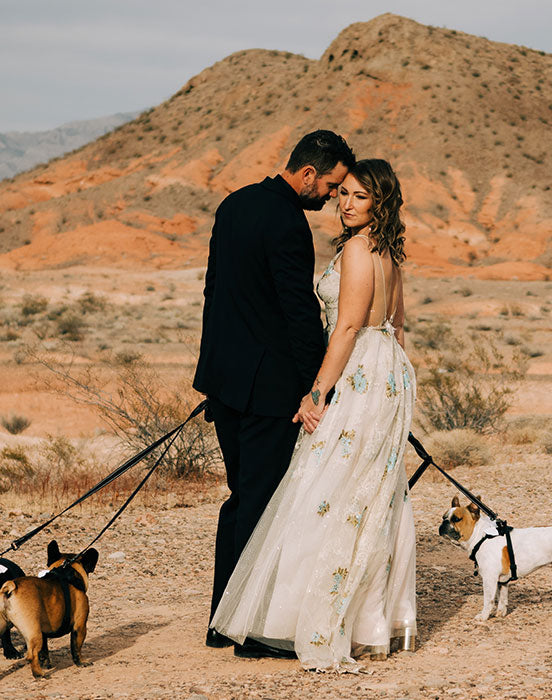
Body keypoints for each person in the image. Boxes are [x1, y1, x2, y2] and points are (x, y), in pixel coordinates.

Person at [211, 159, 417, 672]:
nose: (345, 204)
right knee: (369, 490)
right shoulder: (388, 251)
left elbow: (346, 329)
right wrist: (395, 384)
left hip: (356, 372)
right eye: (342, 193)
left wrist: (317, 394)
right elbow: (398, 324)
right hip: (386, 369)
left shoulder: (354, 250)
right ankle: (372, 621)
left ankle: (306, 618)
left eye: (359, 197)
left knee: (324, 487)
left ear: (380, 203)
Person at [193, 130, 354, 657]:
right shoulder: (286, 220)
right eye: (330, 186)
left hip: (224, 381)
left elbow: (213, 293)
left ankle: (222, 622)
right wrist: (316, 386)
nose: (332, 197)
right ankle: (249, 630)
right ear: (308, 174)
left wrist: (212, 372)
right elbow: (298, 311)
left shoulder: (233, 204)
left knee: (240, 498)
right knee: (262, 504)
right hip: (268, 390)